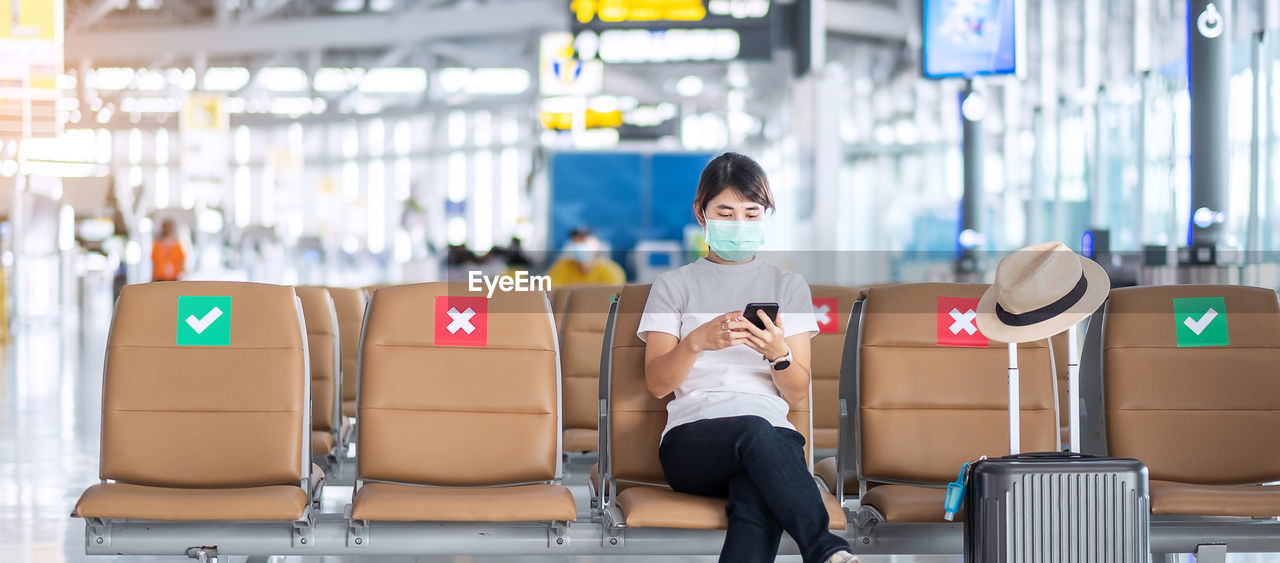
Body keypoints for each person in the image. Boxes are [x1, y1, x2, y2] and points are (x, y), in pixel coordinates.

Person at [636, 153, 856, 563]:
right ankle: (826, 550)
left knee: (757, 496)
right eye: (726, 211)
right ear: (701, 214)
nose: (739, 223)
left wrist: (779, 354)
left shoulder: (788, 286)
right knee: (758, 434)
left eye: (751, 213)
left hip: (772, 441)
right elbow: (657, 384)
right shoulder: (673, 286)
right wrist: (696, 342)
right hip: (693, 442)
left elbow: (796, 394)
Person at [545, 227, 626, 286]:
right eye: (575, 241)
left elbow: (614, 300)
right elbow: (549, 294)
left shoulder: (611, 270)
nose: (579, 245)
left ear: (596, 245)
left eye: (583, 241)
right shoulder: (560, 268)